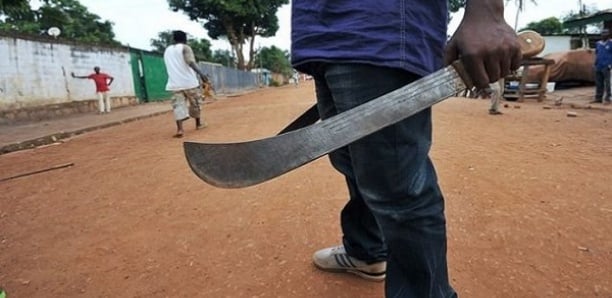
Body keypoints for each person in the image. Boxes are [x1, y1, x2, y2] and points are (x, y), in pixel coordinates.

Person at [291, 1, 521, 297]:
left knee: (399, 189)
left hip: (381, 27)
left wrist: (486, 10)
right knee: (353, 161)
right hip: (323, 37)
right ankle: (367, 251)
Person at [163, 30, 210, 138]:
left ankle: (180, 129)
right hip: (189, 82)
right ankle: (198, 124)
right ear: (185, 39)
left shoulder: (167, 50)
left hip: (174, 83)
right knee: (195, 103)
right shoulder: (185, 48)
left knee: (178, 105)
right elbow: (191, 62)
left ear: (174, 39)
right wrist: (202, 74)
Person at [593, 29, 612, 105]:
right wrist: (595, 64)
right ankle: (598, 98)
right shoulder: (598, 43)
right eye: (602, 33)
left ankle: (608, 98)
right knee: (598, 82)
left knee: (608, 83)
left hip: (607, 65)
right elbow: (597, 54)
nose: (604, 35)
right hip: (599, 65)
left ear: (608, 35)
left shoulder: (611, 43)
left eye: (605, 33)